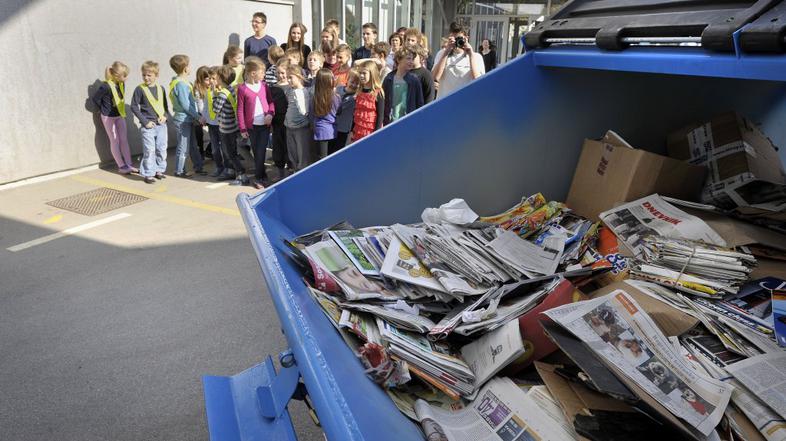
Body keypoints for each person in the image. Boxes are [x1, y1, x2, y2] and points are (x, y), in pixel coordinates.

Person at [91, 61, 136, 174]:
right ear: (116, 75)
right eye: (124, 75)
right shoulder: (105, 86)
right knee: (114, 140)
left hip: (119, 115)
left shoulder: (121, 84)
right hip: (108, 117)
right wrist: (102, 109)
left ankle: (129, 164)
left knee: (124, 139)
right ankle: (121, 166)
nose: (126, 78)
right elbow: (96, 99)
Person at [237, 58, 275, 189]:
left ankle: (260, 178)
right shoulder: (242, 89)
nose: (264, 75)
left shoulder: (264, 86)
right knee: (257, 152)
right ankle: (261, 177)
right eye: (262, 72)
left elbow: (270, 102)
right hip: (251, 128)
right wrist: (242, 128)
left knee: (261, 152)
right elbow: (240, 110)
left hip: (264, 126)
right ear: (253, 73)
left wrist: (270, 113)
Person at [130, 61, 168, 183]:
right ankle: (148, 173)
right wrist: (145, 121)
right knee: (149, 150)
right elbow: (134, 107)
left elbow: (165, 107)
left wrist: (165, 116)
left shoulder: (161, 88)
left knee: (161, 149)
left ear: (156, 76)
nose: (146, 77)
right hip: (148, 126)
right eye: (144, 75)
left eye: (149, 75)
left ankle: (159, 170)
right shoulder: (139, 89)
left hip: (161, 125)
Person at [168, 54, 205, 177]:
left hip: (188, 119)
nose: (190, 68)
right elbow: (185, 104)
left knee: (193, 145)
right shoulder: (181, 84)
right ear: (185, 68)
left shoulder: (178, 81)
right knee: (183, 146)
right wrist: (197, 116)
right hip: (183, 119)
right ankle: (179, 171)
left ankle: (198, 166)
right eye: (188, 66)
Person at [213, 65, 248, 185]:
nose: (215, 79)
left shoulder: (222, 93)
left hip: (226, 128)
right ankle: (233, 171)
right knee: (231, 151)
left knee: (230, 153)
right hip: (232, 126)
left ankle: (241, 174)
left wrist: (214, 95)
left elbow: (216, 109)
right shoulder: (231, 89)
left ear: (221, 78)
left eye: (216, 77)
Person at [432, 22, 485, 99]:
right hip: (445, 103)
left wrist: (470, 55)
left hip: (466, 103)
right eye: (454, 38)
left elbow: (478, 82)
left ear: (466, 38)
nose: (457, 42)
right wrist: (446, 52)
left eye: (459, 39)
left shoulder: (476, 57)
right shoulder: (442, 54)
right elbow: (435, 78)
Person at [195, 66, 226, 178]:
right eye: (210, 79)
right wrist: (203, 117)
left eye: (214, 78)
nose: (211, 81)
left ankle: (228, 168)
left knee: (225, 149)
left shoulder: (223, 91)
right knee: (215, 149)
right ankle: (219, 167)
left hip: (223, 125)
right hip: (212, 125)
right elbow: (206, 107)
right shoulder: (208, 92)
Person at [382, 48, 424, 125]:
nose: (411, 62)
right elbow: (383, 101)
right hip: (390, 122)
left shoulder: (414, 80)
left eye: (412, 59)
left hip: (408, 122)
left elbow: (419, 103)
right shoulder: (389, 79)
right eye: (408, 59)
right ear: (398, 59)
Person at [284, 65, 313, 171]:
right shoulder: (289, 91)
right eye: (287, 77)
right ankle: (296, 171)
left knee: (302, 154)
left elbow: (305, 111)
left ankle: (302, 174)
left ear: (299, 77)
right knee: (292, 153)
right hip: (289, 126)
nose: (288, 80)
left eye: (291, 77)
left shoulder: (305, 92)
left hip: (301, 127)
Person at [351, 60, 384, 142]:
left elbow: (380, 116)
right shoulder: (359, 91)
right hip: (359, 130)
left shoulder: (378, 92)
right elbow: (356, 112)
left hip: (371, 132)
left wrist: (376, 134)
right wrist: (352, 130)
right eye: (360, 73)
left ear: (372, 74)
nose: (361, 76)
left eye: (364, 73)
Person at [311, 68, 340, 159]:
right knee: (331, 157)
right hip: (332, 130)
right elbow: (339, 111)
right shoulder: (336, 97)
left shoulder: (314, 97)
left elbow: (311, 114)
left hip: (320, 131)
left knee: (322, 158)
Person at [270, 58, 291, 181]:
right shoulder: (273, 87)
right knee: (277, 148)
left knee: (288, 148)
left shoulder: (291, 86)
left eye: (283, 72)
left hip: (288, 123)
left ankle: (289, 172)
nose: (280, 75)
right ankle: (280, 172)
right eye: (278, 73)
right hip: (277, 123)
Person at [331, 69, 358, 153]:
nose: (354, 85)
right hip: (332, 125)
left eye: (357, 83)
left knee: (339, 150)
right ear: (348, 79)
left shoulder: (356, 96)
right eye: (352, 82)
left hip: (344, 128)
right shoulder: (339, 89)